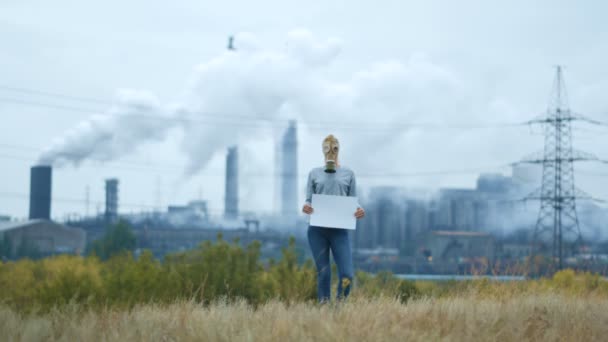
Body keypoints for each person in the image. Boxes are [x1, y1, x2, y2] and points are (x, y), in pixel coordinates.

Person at [302, 134, 365, 303]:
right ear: (323, 150)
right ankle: (324, 308)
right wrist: (306, 206)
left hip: (339, 231)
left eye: (334, 148)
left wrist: (359, 210)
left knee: (347, 274)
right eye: (327, 148)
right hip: (317, 231)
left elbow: (354, 201)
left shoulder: (348, 174)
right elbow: (308, 199)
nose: (331, 151)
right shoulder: (314, 173)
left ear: (338, 150)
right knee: (324, 273)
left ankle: (339, 306)